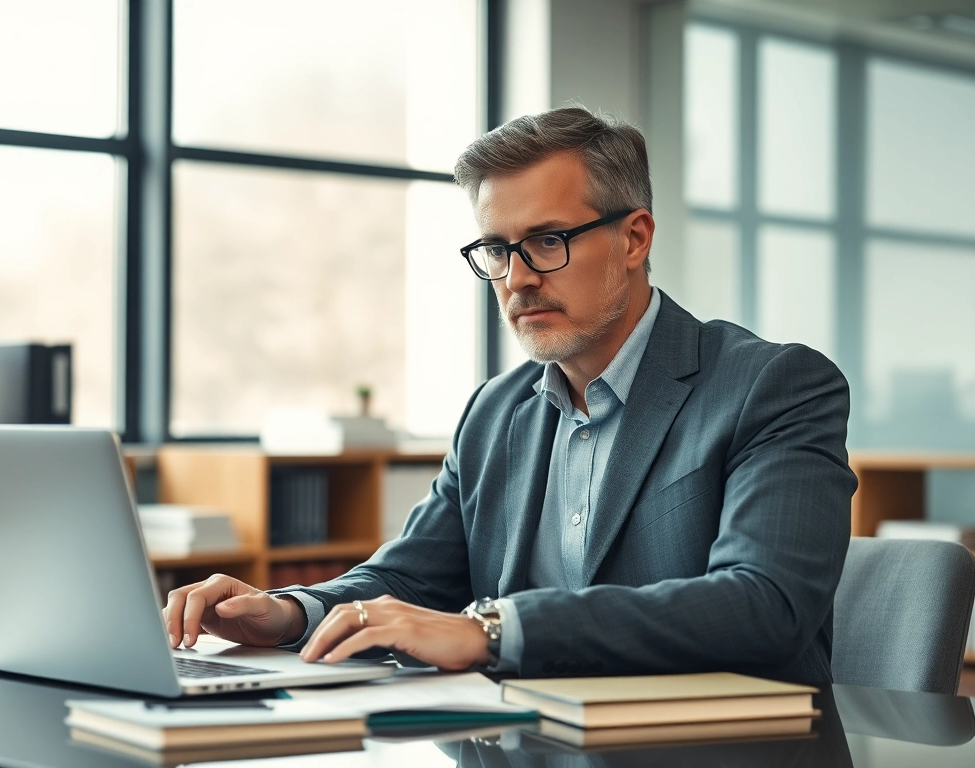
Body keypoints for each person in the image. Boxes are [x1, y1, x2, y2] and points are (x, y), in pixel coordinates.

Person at [162, 106, 856, 684]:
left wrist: (490, 631)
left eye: (547, 241)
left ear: (634, 237)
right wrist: (287, 612)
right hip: (532, 744)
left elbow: (764, 608)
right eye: (497, 249)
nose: (517, 279)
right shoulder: (497, 411)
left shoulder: (772, 387)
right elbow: (413, 578)